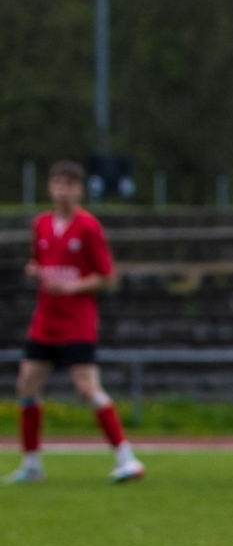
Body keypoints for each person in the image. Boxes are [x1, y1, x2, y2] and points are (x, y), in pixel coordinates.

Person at [7, 160, 144, 485]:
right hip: (45, 321)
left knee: (86, 388)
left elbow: (107, 277)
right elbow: (41, 264)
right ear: (49, 187)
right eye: (57, 184)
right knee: (26, 385)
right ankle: (31, 465)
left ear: (79, 190)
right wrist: (35, 272)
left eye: (68, 185)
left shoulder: (88, 227)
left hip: (77, 323)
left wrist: (73, 287)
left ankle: (127, 458)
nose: (62, 191)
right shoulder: (41, 224)